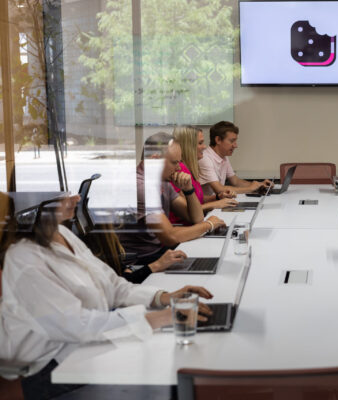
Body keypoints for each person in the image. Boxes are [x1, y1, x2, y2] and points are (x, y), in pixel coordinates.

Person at [0, 194, 214, 399]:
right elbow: (76, 324)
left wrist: (164, 298)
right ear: (39, 201)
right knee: (168, 376)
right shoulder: (23, 257)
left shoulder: (62, 235)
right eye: (66, 194)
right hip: (54, 371)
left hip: (88, 350)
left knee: (175, 367)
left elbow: (112, 286)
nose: (77, 198)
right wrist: (161, 318)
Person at [119, 132, 225, 265]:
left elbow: (196, 218)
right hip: (141, 261)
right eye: (175, 162)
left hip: (158, 252)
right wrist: (209, 225)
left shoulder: (162, 180)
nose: (179, 168)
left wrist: (188, 190)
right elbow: (170, 236)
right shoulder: (141, 187)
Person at [170, 125, 238, 225]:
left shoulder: (190, 167)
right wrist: (215, 204)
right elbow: (188, 209)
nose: (205, 147)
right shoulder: (179, 169)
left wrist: (217, 197)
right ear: (188, 146)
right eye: (200, 143)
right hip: (183, 226)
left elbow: (197, 199)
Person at [197, 121, 272, 196]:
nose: (235, 145)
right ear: (218, 140)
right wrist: (249, 189)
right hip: (210, 205)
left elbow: (235, 181)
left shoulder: (223, 156)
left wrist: (259, 185)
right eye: (232, 141)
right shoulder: (205, 158)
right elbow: (219, 189)